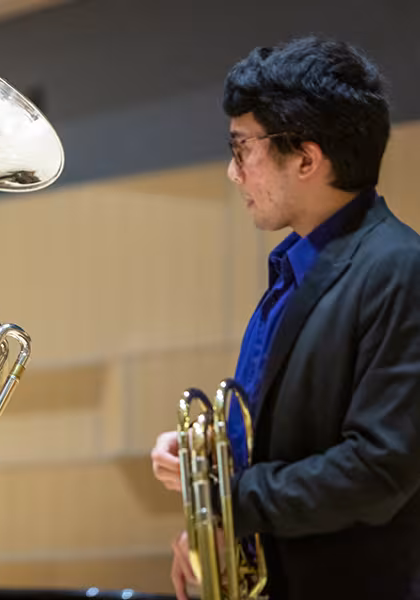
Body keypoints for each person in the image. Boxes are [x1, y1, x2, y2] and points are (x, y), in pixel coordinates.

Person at [151, 36, 420, 600]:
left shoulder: (399, 270)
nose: (232, 172)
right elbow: (283, 440)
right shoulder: (295, 269)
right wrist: (208, 468)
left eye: (241, 148)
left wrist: (226, 505)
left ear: (306, 157)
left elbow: (379, 470)